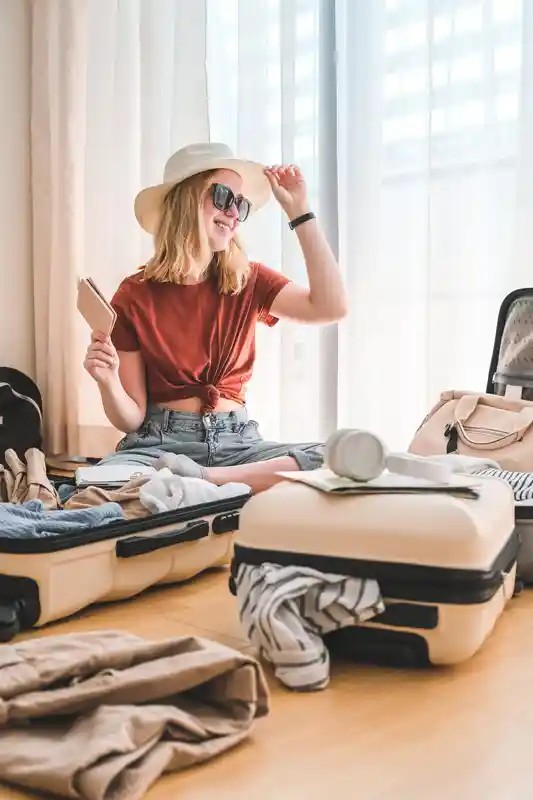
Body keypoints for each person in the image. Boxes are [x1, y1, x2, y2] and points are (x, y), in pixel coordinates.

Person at [84, 142, 347, 493]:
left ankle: (205, 482)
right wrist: (108, 380)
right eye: (224, 197)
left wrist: (299, 212)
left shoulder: (250, 279)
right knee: (96, 487)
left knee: (335, 454)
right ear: (187, 199)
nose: (235, 213)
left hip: (237, 446)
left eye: (241, 204)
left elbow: (331, 307)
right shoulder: (134, 295)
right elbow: (130, 417)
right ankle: (190, 485)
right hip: (159, 445)